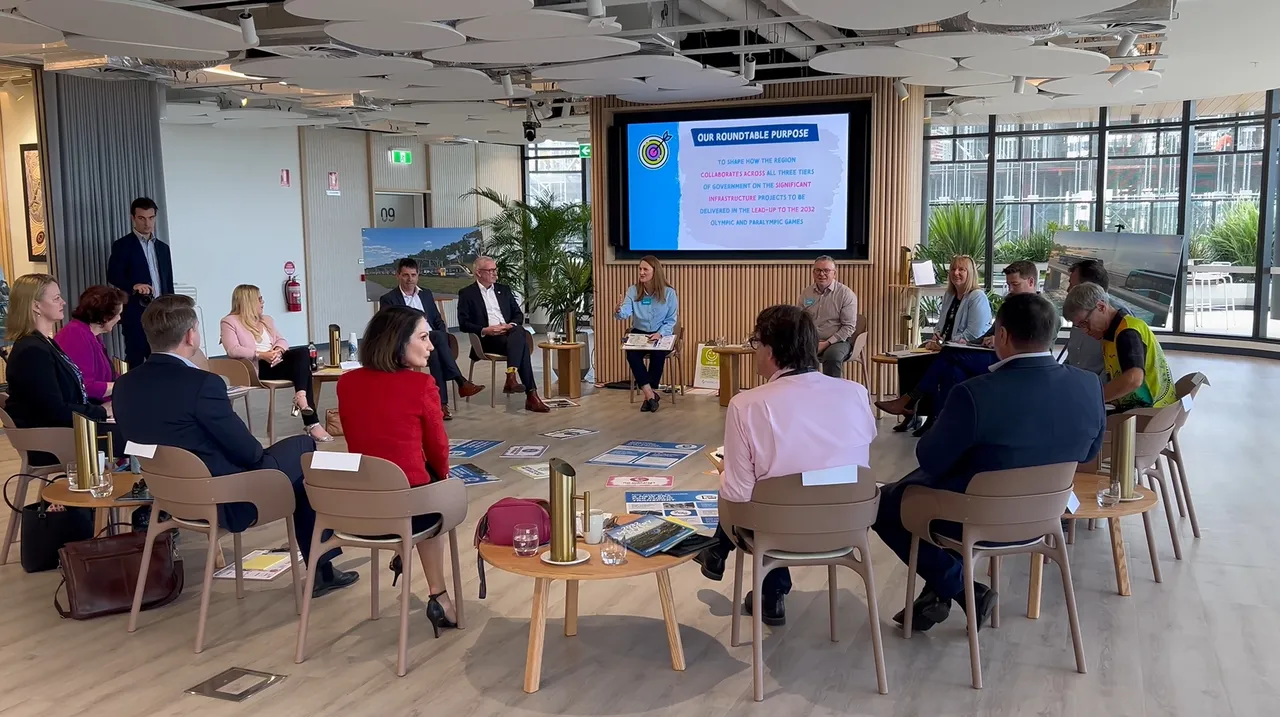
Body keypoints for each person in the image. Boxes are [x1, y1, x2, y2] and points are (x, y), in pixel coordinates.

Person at [873, 293, 1105, 632]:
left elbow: (930, 458)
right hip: (1048, 515)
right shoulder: (1088, 385)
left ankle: (965, 590)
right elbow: (1089, 454)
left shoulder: (974, 393)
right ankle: (937, 594)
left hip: (977, 517)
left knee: (884, 504)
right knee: (946, 494)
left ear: (1002, 335)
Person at [113, 295, 358, 598]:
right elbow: (250, 453)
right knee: (303, 449)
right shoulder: (202, 384)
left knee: (298, 472)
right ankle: (321, 566)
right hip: (227, 499)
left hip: (168, 498)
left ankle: (323, 567)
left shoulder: (124, 385)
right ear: (190, 336)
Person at [693, 305, 877, 626]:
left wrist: (728, 472)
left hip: (778, 530)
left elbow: (738, 494)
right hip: (848, 525)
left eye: (756, 343)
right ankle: (763, 587)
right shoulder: (856, 393)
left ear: (770, 350)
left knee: (755, 492)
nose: (754, 351)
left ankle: (737, 565)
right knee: (787, 488)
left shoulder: (746, 404)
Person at [336, 306, 460, 637]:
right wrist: (442, 477)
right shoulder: (422, 385)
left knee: (415, 490)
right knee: (437, 498)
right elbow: (439, 449)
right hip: (407, 510)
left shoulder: (346, 383)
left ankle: (401, 554)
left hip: (358, 510)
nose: (431, 346)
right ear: (398, 342)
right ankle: (439, 595)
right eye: (424, 337)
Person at [876, 261, 1038, 431]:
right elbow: (985, 334)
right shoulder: (1009, 305)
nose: (1010, 289)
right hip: (989, 353)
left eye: (1015, 285)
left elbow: (1033, 341)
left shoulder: (1039, 310)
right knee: (950, 369)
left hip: (1006, 360)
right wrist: (981, 340)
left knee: (948, 353)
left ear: (1031, 282)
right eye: (1008, 285)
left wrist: (997, 340)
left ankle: (911, 400)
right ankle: (940, 421)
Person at [4, 274, 122, 465]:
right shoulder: (32, 350)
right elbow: (55, 410)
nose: (64, 302)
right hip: (54, 441)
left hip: (66, 431)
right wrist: (101, 410)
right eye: (56, 298)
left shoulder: (44, 344)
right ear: (36, 306)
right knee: (139, 433)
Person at [892, 255, 992, 434]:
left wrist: (945, 344)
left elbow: (973, 334)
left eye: (961, 269)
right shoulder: (950, 295)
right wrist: (936, 338)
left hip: (967, 351)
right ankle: (911, 415)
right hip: (947, 346)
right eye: (953, 269)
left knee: (943, 368)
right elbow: (941, 324)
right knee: (910, 359)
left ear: (970, 273)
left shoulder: (977, 297)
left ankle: (924, 411)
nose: (956, 273)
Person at [219, 284, 333, 442]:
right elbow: (233, 350)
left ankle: (301, 398)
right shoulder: (229, 322)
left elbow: (282, 340)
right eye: (259, 299)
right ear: (248, 301)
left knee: (302, 352)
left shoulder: (266, 320)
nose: (263, 302)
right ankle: (311, 421)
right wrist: (261, 354)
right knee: (304, 371)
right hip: (255, 367)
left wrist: (277, 351)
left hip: (275, 362)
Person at [378, 258, 483, 420]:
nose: (410, 279)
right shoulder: (389, 299)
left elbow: (437, 320)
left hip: (431, 341)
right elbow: (390, 327)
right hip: (408, 342)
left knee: (436, 350)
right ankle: (460, 382)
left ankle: (442, 405)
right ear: (397, 276)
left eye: (413, 275)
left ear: (418, 275)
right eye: (405, 275)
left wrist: (441, 335)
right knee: (436, 340)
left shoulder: (426, 294)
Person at [1062, 282, 1176, 412]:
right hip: (1139, 407)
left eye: (1085, 323)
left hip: (1153, 410)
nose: (1085, 331)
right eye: (1079, 326)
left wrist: (1094, 398)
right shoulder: (1110, 333)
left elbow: (1134, 379)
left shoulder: (1127, 332)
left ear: (1101, 307)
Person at [456, 255, 548, 413]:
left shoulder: (503, 290)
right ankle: (529, 395)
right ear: (478, 273)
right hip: (487, 339)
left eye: (495, 269)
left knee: (518, 330)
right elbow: (463, 323)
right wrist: (485, 330)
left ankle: (513, 379)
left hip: (509, 334)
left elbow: (518, 315)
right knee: (522, 345)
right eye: (490, 270)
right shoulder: (467, 293)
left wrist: (509, 325)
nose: (495, 273)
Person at [107, 197, 173, 368]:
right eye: (142, 218)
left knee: (163, 359)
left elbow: (168, 281)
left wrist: (171, 308)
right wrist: (132, 286)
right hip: (136, 312)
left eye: (151, 218)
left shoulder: (163, 248)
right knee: (135, 358)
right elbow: (113, 275)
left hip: (161, 313)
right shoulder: (122, 245)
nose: (147, 223)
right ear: (133, 218)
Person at [615, 255, 678, 412]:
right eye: (640, 269)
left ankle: (648, 396)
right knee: (632, 355)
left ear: (655, 271)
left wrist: (660, 333)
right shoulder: (633, 290)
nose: (641, 272)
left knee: (658, 355)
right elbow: (625, 313)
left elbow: (671, 320)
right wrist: (619, 311)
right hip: (639, 333)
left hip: (660, 333)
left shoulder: (669, 293)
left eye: (645, 269)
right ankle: (650, 394)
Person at [54, 285, 128, 403]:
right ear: (105, 317)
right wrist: (123, 386)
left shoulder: (90, 334)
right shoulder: (75, 334)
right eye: (118, 314)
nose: (119, 318)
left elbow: (110, 376)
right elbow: (84, 386)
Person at [799, 255, 858, 378]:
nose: (822, 274)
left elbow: (849, 327)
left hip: (838, 340)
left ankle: (833, 390)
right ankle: (807, 388)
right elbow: (801, 321)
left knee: (832, 357)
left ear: (834, 273)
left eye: (826, 270)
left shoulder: (845, 294)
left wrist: (826, 343)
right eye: (818, 270)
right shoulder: (806, 293)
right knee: (794, 354)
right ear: (813, 273)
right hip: (812, 339)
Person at [1063, 259, 1108, 375]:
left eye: (1072, 286)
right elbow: (1073, 355)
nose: (1068, 290)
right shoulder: (1079, 310)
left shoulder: (1118, 317)